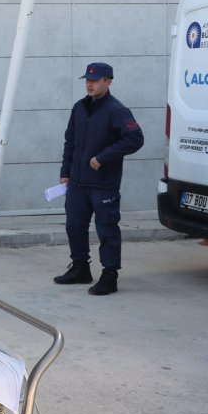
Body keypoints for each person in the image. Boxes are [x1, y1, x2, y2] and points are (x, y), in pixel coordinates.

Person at [53, 62, 144, 295]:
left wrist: (103, 156)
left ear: (108, 81)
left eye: (95, 80)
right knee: (74, 226)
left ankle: (110, 275)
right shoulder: (79, 108)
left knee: (107, 229)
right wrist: (65, 172)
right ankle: (81, 268)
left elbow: (134, 138)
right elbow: (70, 142)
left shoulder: (116, 110)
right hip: (77, 182)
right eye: (87, 80)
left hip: (103, 183)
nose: (89, 83)